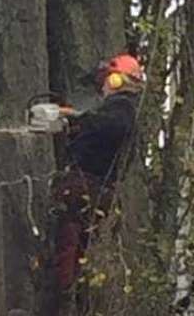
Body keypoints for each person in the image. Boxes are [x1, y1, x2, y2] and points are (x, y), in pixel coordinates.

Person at [50, 53, 143, 295]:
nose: (102, 85)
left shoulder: (122, 108)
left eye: (106, 79)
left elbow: (110, 125)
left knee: (67, 246)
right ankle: (68, 295)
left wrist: (78, 118)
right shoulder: (115, 109)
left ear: (116, 80)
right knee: (75, 247)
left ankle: (60, 297)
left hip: (87, 185)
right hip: (92, 188)